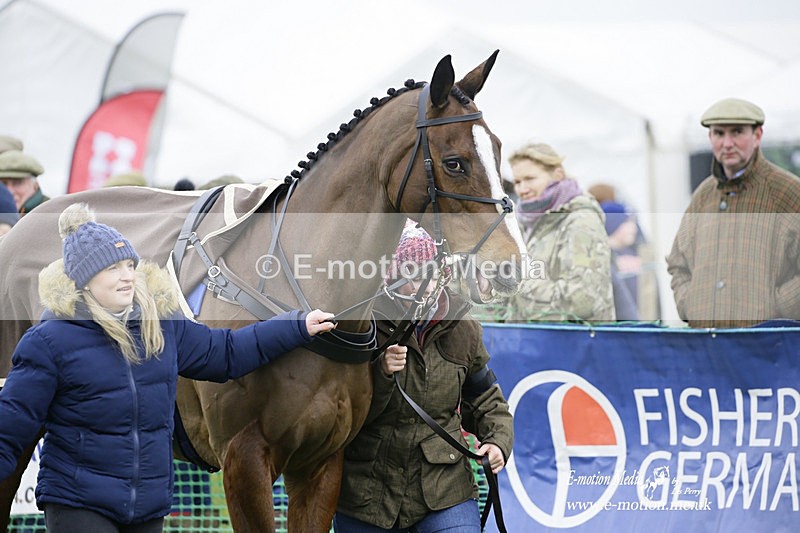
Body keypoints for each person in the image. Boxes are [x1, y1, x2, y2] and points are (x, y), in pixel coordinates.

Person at [0, 202, 335, 532]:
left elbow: (227, 352)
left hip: (147, 507)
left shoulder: (162, 326)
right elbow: (10, 426)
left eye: (129, 265)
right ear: (84, 281)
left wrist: (296, 325)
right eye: (112, 269)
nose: (126, 277)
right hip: (79, 503)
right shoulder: (48, 342)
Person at [334, 223, 514, 532]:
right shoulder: (361, 325)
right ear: (391, 276)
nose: (426, 287)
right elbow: (341, 411)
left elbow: (485, 399)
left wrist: (497, 442)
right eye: (414, 276)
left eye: (431, 274)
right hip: (367, 493)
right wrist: (379, 373)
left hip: (443, 489)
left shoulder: (463, 328)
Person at [667, 98, 800, 328]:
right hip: (708, 346)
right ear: (710, 138)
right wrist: (692, 305)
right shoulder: (703, 196)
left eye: (737, 132)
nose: (727, 143)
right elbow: (679, 264)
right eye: (719, 133)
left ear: (757, 136)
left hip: (770, 349)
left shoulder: (788, 193)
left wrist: (775, 308)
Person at [503, 143, 615, 322]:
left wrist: (518, 283)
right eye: (517, 182)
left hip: (572, 345)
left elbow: (583, 301)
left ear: (558, 175)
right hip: (529, 344)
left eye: (530, 178)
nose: (522, 189)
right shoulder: (524, 222)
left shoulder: (581, 222)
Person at [601, 201, 640, 321]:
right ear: (614, 224)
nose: (634, 229)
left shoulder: (632, 254)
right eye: (628, 223)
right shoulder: (603, 258)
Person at [0, 149, 49, 215]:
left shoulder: (52, 213)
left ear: (35, 185)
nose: (10, 191)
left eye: (17, 183)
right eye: (3, 184)